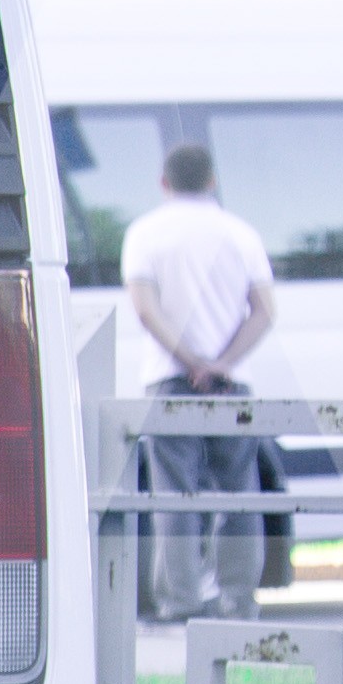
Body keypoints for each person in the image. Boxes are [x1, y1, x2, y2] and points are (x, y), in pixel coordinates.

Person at [117, 136, 282, 620]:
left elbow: (146, 311)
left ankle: (180, 600)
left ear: (163, 182)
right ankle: (239, 599)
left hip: (169, 378)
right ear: (211, 180)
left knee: (174, 494)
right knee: (239, 492)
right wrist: (221, 363)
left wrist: (190, 361)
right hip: (232, 382)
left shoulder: (145, 233)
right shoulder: (241, 233)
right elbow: (264, 310)